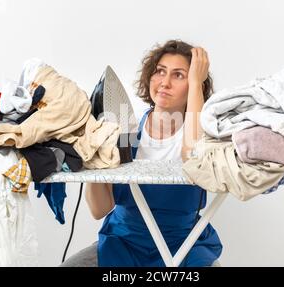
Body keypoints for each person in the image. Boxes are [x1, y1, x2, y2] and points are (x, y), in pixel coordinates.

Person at [61, 40, 223, 267]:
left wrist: (197, 82)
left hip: (182, 244)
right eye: (160, 72)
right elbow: (99, 210)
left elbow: (194, 156)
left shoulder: (202, 133)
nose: (165, 83)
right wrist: (94, 158)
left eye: (179, 75)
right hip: (124, 241)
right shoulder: (128, 127)